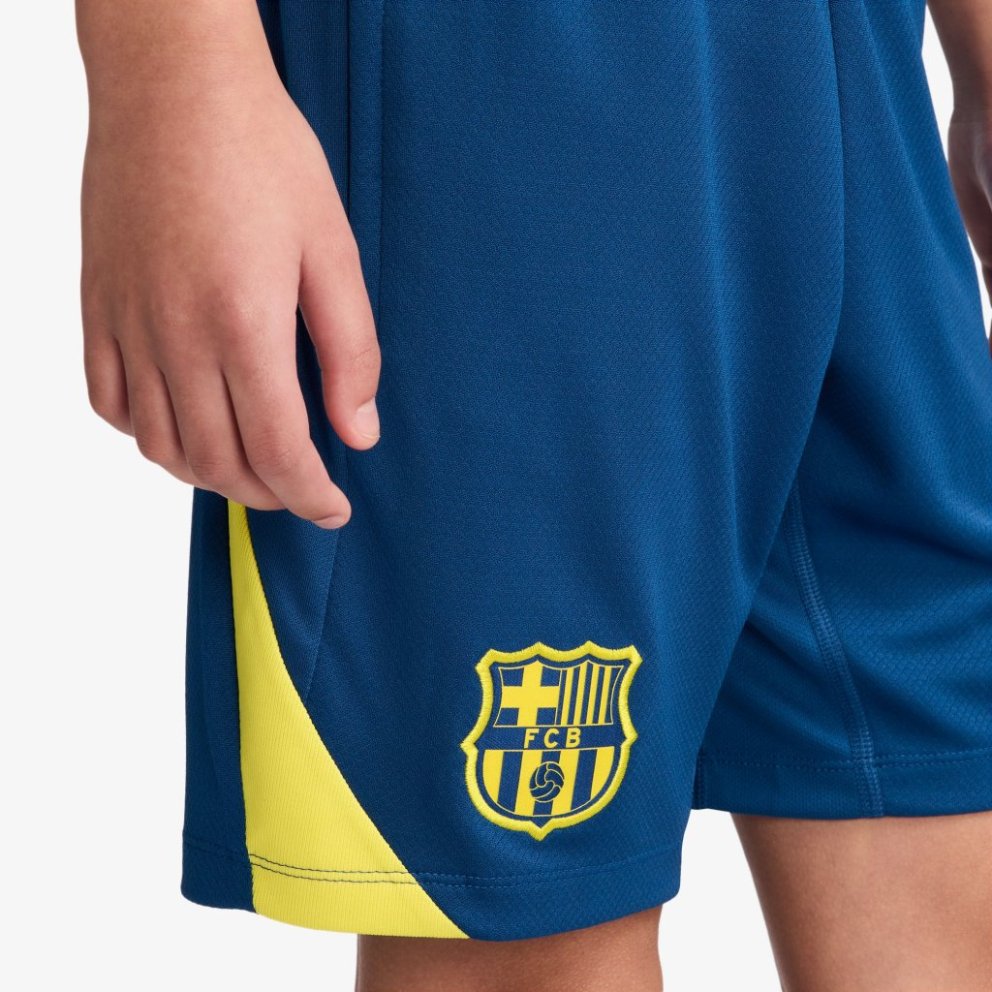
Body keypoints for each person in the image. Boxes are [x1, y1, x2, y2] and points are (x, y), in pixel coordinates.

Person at [77, 1, 992, 989]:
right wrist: (171, 66)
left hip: (860, 54)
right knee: (527, 908)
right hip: (494, 66)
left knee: (935, 794)